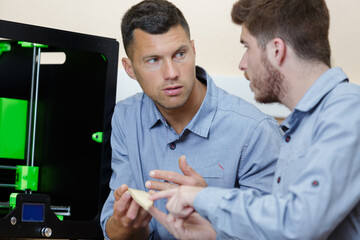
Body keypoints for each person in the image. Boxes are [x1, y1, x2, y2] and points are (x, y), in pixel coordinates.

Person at [149, 0, 360, 239]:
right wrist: (213, 235)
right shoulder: (301, 124)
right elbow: (281, 229)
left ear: (276, 50)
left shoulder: (349, 110)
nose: (242, 64)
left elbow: (298, 222)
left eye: (246, 47)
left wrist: (200, 197)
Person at [100, 0, 282, 239]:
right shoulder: (125, 116)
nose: (172, 73)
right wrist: (127, 225)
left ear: (193, 50)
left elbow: (274, 233)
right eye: (153, 60)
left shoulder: (256, 132)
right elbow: (112, 229)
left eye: (180, 54)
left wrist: (210, 207)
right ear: (130, 69)